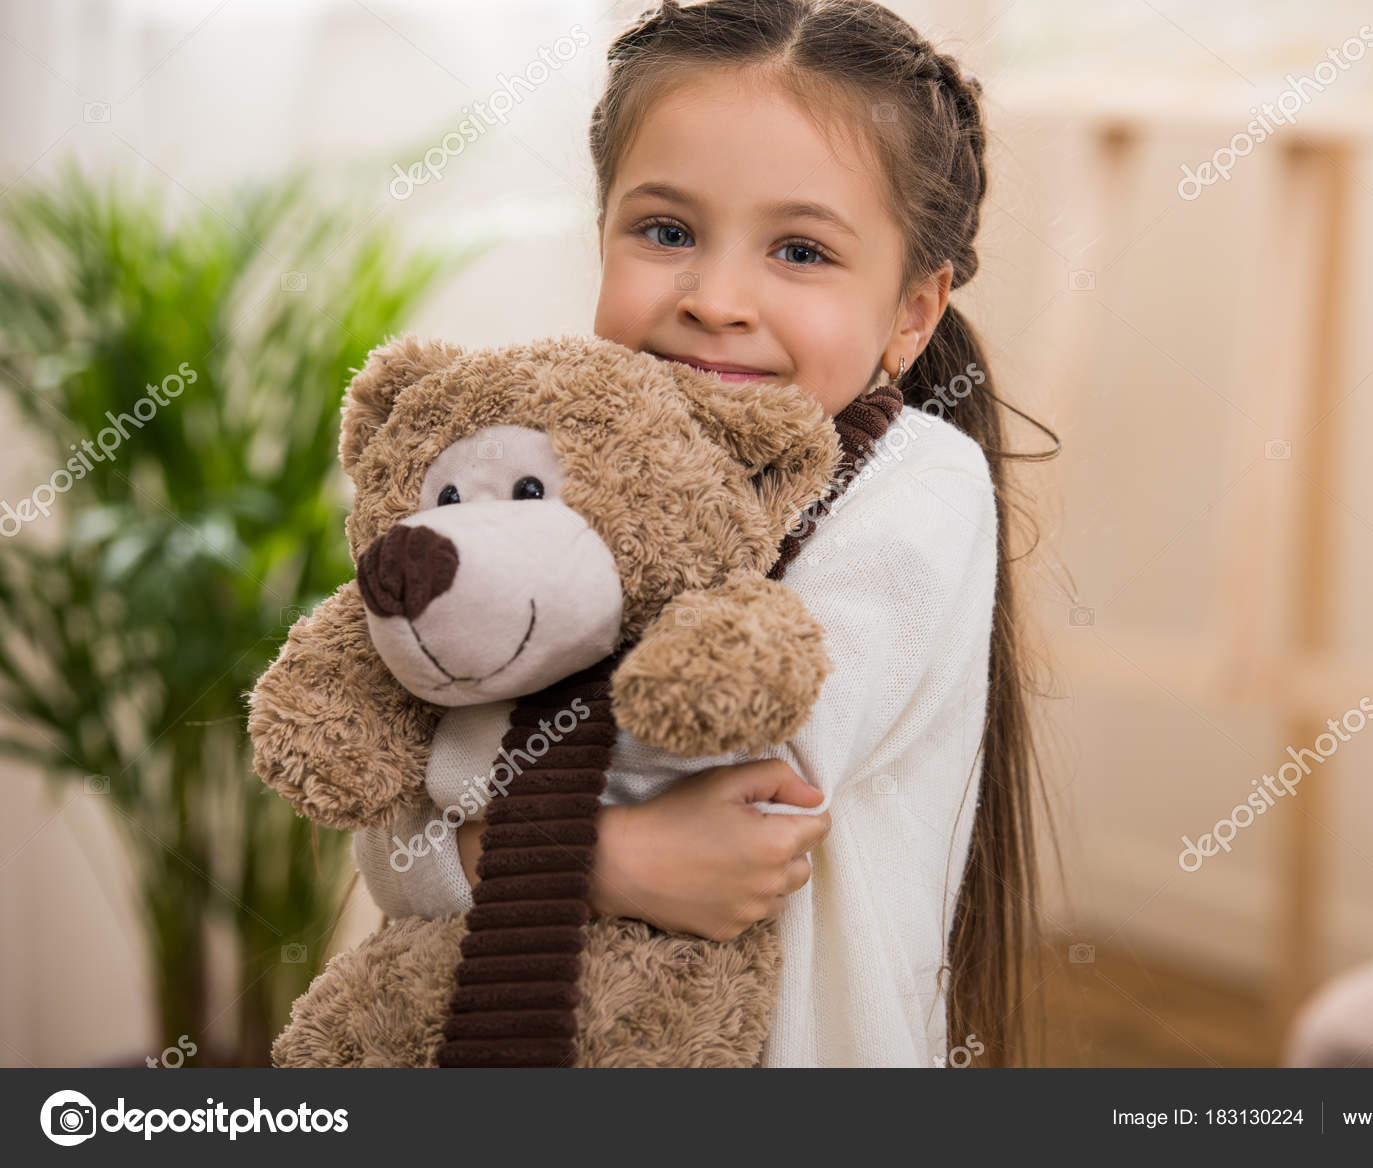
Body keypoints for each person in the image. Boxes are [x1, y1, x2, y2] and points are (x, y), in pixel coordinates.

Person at [359, 0, 1058, 1067]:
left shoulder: (920, 486)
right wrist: (599, 858)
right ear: (602, 236)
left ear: (911, 314)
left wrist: (474, 804)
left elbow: (725, 754)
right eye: (667, 231)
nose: (717, 298)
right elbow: (387, 845)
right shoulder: (548, 457)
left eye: (800, 250)